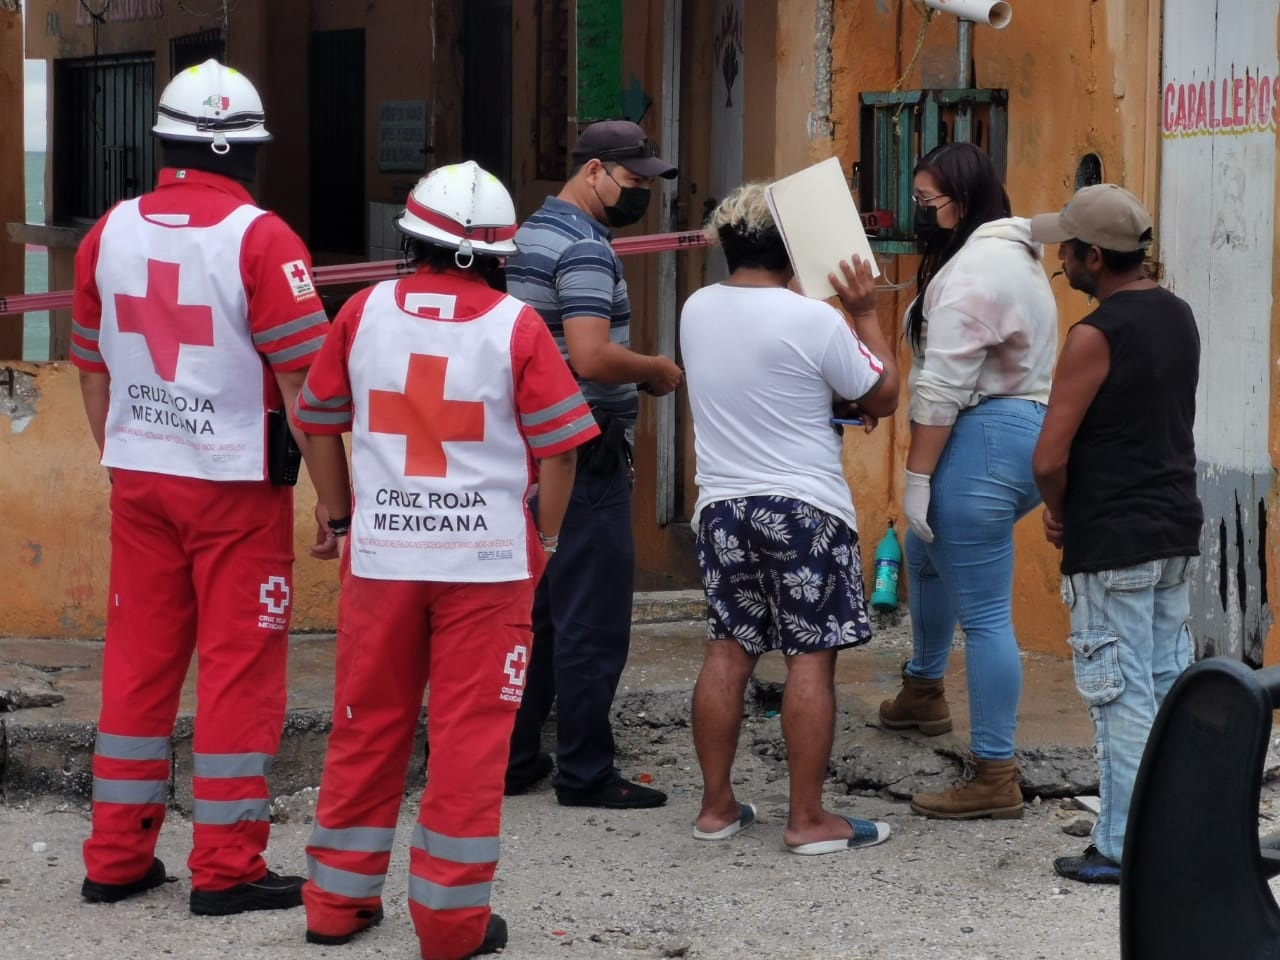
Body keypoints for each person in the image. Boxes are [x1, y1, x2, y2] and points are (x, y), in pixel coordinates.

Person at [293, 161, 598, 958]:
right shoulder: (517, 326)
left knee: (365, 727)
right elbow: (561, 452)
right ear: (502, 253)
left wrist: (339, 515)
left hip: (382, 561)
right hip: (488, 568)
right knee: (468, 746)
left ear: (410, 239)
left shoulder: (360, 312)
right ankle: (451, 926)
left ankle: (335, 906)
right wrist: (550, 539)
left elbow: (316, 420)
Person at [71, 59, 332, 915]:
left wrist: (126, 455)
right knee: (238, 673)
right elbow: (305, 389)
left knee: (138, 668)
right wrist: (338, 501)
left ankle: (114, 858)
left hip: (140, 482)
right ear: (249, 151)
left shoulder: (107, 233)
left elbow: (92, 370)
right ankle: (226, 868)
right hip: (236, 492)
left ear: (162, 144)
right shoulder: (264, 240)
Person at [680, 182, 899, 854]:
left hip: (720, 506)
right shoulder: (816, 320)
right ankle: (807, 820)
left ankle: (716, 808)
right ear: (792, 248)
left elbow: (770, 380)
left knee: (727, 652)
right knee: (810, 659)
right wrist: (863, 312)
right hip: (803, 509)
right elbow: (883, 393)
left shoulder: (697, 308)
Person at [503, 120, 684, 808]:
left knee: (541, 613)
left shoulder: (529, 234)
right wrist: (655, 370)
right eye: (633, 181)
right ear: (595, 171)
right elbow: (590, 355)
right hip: (584, 450)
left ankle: (516, 759)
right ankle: (584, 771)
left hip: (533, 446)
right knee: (592, 617)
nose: (641, 194)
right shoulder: (583, 248)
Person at [876, 142, 1058, 820]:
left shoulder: (976, 272)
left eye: (929, 202)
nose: (921, 214)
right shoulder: (1008, 253)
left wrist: (916, 476)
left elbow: (942, 391)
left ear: (965, 196)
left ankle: (994, 773)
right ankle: (923, 691)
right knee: (923, 554)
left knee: (984, 614)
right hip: (1020, 432)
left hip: (983, 437)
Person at [1029, 184, 1202, 885]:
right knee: (1164, 689)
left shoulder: (1094, 335)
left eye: (1066, 249)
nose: (1059, 259)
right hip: (1172, 530)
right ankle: (1179, 834)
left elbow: (1048, 457)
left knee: (1120, 696)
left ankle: (1125, 847)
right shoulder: (1179, 315)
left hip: (1114, 536)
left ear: (1092, 257)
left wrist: (1058, 510)